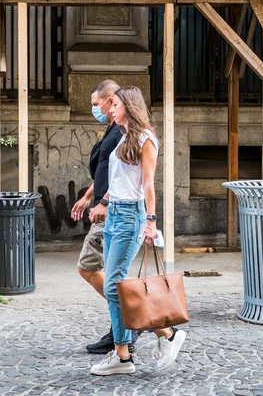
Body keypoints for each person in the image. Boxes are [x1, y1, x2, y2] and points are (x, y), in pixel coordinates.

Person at [89, 86, 186, 376]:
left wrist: (151, 221)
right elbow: (119, 181)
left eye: (115, 104)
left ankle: (133, 350)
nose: (110, 109)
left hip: (132, 216)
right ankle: (152, 341)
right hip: (115, 214)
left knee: (113, 284)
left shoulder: (146, 139)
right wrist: (104, 202)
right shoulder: (123, 137)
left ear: (129, 106)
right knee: (117, 285)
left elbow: (147, 185)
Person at [71, 79, 140, 354]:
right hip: (105, 208)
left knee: (103, 275)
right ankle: (124, 325)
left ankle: (130, 324)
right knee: (102, 273)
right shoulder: (112, 129)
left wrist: (103, 202)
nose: (94, 110)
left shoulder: (126, 131)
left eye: (96, 104)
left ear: (113, 100)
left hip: (116, 211)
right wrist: (89, 196)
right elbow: (106, 169)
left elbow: (127, 176)